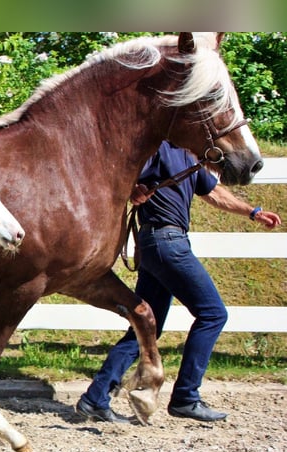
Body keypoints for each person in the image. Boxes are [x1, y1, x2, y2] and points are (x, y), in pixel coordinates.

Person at [77, 140, 281, 423]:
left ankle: (95, 397)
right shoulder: (158, 148)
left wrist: (252, 212)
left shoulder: (188, 155)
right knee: (213, 314)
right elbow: (122, 173)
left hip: (159, 244)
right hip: (166, 242)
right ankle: (186, 396)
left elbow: (214, 193)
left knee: (148, 326)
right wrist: (133, 190)